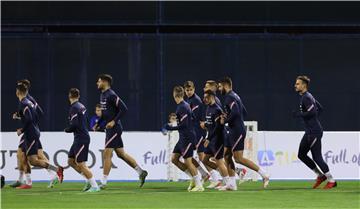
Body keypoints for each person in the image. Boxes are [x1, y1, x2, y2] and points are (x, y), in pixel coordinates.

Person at [94, 74, 148, 189]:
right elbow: (104, 114)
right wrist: (98, 123)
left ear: (105, 82)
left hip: (115, 128)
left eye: (99, 81)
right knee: (121, 154)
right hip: (109, 129)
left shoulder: (111, 95)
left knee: (107, 154)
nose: (97, 83)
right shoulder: (102, 95)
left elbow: (124, 109)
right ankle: (141, 172)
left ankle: (103, 182)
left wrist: (114, 121)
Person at [218, 77, 269, 190]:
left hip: (237, 130)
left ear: (226, 85)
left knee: (238, 158)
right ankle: (232, 184)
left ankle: (264, 174)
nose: (219, 89)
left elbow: (236, 112)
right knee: (226, 155)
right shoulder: (235, 96)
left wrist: (225, 120)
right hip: (233, 129)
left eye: (220, 86)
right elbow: (243, 111)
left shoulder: (229, 97)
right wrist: (231, 118)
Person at [15, 83, 63, 189]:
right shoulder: (29, 102)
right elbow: (36, 115)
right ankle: (52, 173)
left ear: (17, 92)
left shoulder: (24, 102)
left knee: (32, 160)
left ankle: (56, 170)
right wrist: (19, 116)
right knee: (29, 157)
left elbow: (30, 119)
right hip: (32, 132)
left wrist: (22, 130)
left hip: (30, 133)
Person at [293, 75, 337, 189]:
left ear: (304, 85)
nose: (295, 85)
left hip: (314, 132)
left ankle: (331, 180)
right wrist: (312, 121)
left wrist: (299, 115)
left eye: (298, 84)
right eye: (296, 83)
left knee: (317, 157)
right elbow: (320, 108)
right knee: (301, 154)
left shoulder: (306, 97)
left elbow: (312, 112)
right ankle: (320, 176)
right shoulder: (308, 96)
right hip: (310, 131)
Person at [163, 86, 204, 192]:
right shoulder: (183, 106)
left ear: (175, 95)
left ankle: (199, 184)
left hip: (187, 137)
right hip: (183, 137)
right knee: (174, 159)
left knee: (188, 161)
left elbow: (184, 125)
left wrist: (171, 128)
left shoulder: (182, 107)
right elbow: (193, 118)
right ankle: (193, 178)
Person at [65, 88, 100, 192]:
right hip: (80, 137)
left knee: (81, 164)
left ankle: (94, 186)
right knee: (71, 161)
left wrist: (68, 129)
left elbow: (74, 124)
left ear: (69, 96)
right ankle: (87, 180)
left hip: (81, 138)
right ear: (79, 96)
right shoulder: (82, 106)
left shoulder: (74, 108)